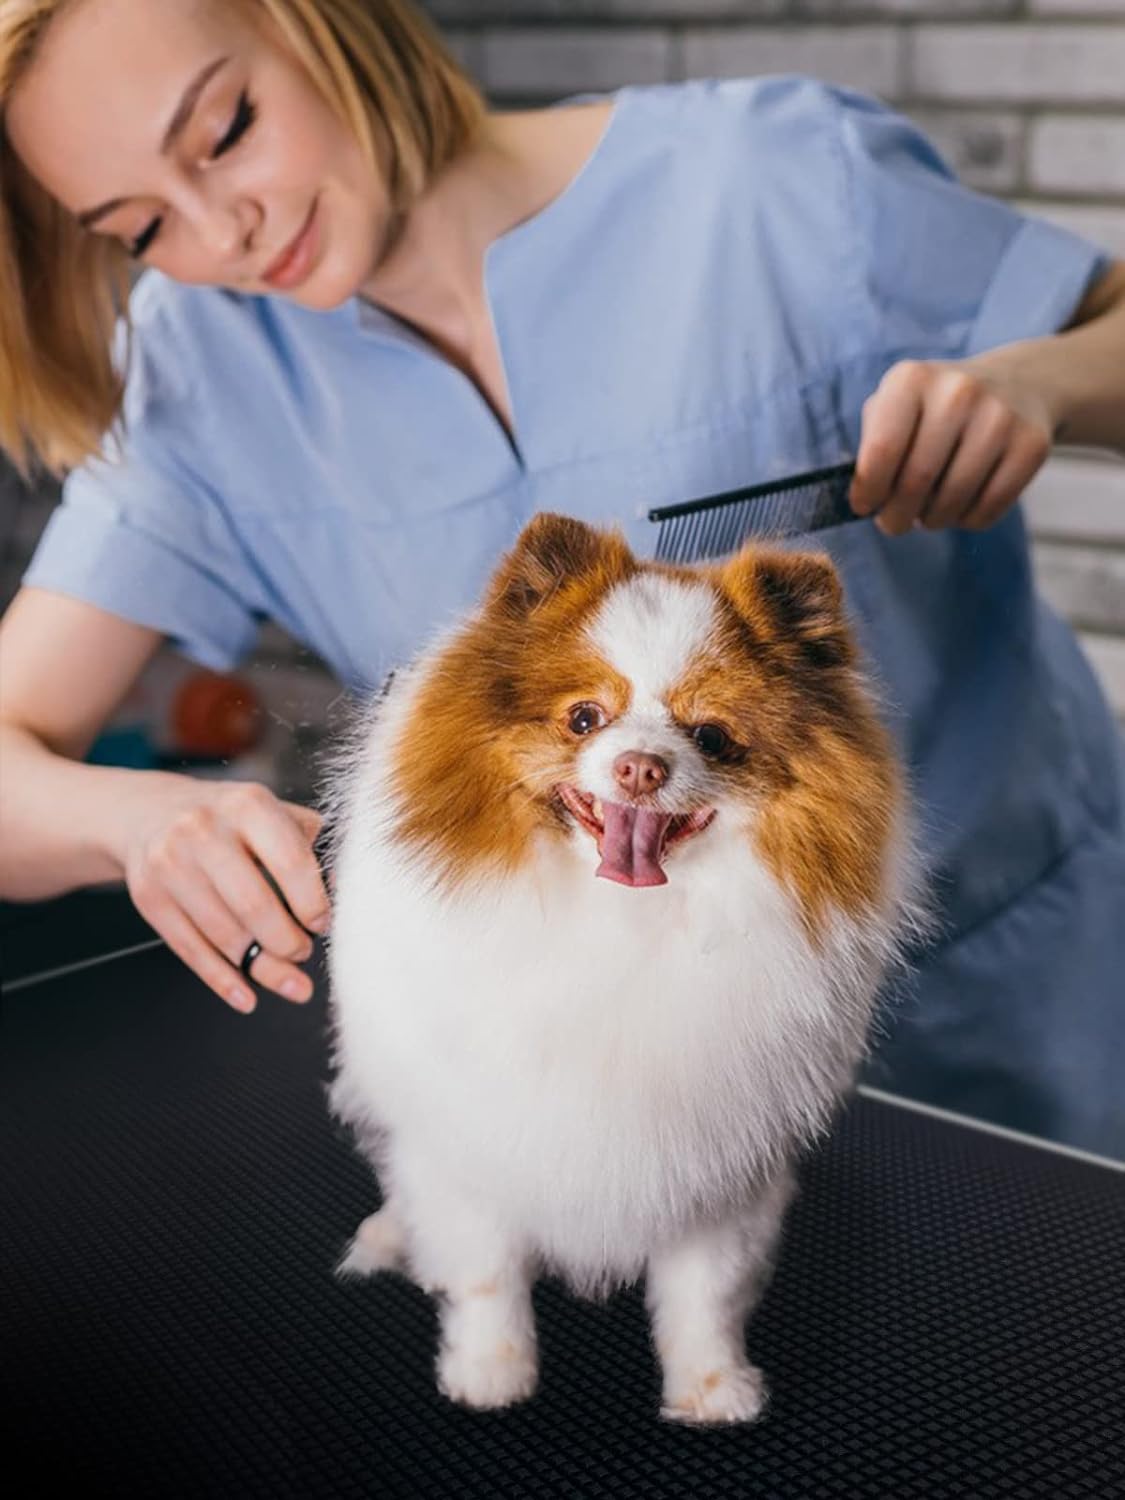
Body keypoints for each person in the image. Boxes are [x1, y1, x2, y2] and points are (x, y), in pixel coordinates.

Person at [0, 0, 1122, 1154]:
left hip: (1008, 1000)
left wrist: (1042, 382)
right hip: (632, 1094)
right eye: (138, 226)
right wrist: (139, 824)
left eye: (227, 128)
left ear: (323, 24)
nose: (219, 232)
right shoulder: (201, 367)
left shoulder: (772, 181)